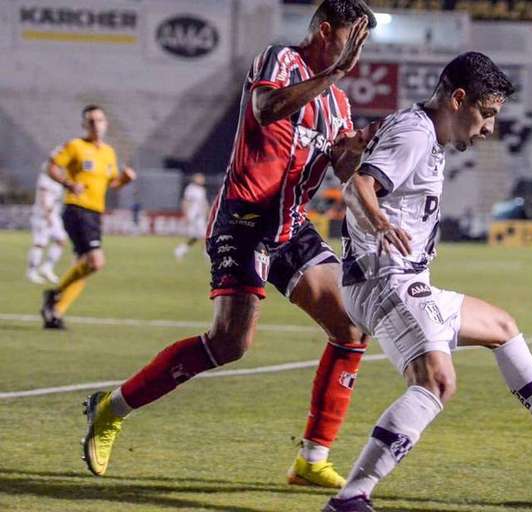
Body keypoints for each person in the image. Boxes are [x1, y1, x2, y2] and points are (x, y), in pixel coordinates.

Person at [79, 0, 379, 489]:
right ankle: (110, 408)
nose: (358, 54)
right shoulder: (280, 60)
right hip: (243, 218)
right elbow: (266, 109)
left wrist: (358, 149)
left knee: (350, 327)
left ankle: (311, 458)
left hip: (290, 226)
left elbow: (341, 171)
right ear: (326, 31)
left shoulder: (339, 103)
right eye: (353, 39)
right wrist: (335, 73)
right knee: (230, 343)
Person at [323, 52, 532, 512]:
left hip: (394, 278)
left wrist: (351, 166)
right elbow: (358, 190)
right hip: (386, 280)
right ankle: (351, 498)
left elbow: (355, 174)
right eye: (486, 114)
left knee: (501, 327)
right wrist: (380, 223)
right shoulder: (414, 132)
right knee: (435, 384)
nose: (489, 128)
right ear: (457, 99)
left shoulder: (418, 130)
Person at [41, 105, 137, 329]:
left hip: (95, 212)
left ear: (106, 124)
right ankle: (53, 296)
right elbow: (52, 167)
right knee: (95, 261)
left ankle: (54, 313)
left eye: (100, 120)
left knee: (82, 267)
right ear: (84, 125)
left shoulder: (108, 152)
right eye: (91, 121)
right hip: (77, 209)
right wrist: (69, 183)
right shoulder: (75, 146)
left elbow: (111, 183)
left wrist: (125, 179)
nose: (96, 125)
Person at [27, 163, 66, 284]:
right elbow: (44, 198)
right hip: (43, 215)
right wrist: (47, 214)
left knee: (61, 240)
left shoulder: (58, 182)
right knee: (40, 243)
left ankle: (47, 267)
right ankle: (31, 272)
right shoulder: (45, 179)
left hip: (54, 215)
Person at [174, 173, 209, 261]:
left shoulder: (202, 190)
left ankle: (180, 250)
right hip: (194, 216)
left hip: (201, 216)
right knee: (204, 235)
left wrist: (206, 214)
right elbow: (186, 201)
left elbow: (203, 204)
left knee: (196, 236)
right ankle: (207, 254)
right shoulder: (190, 189)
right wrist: (186, 214)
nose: (202, 180)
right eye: (200, 178)